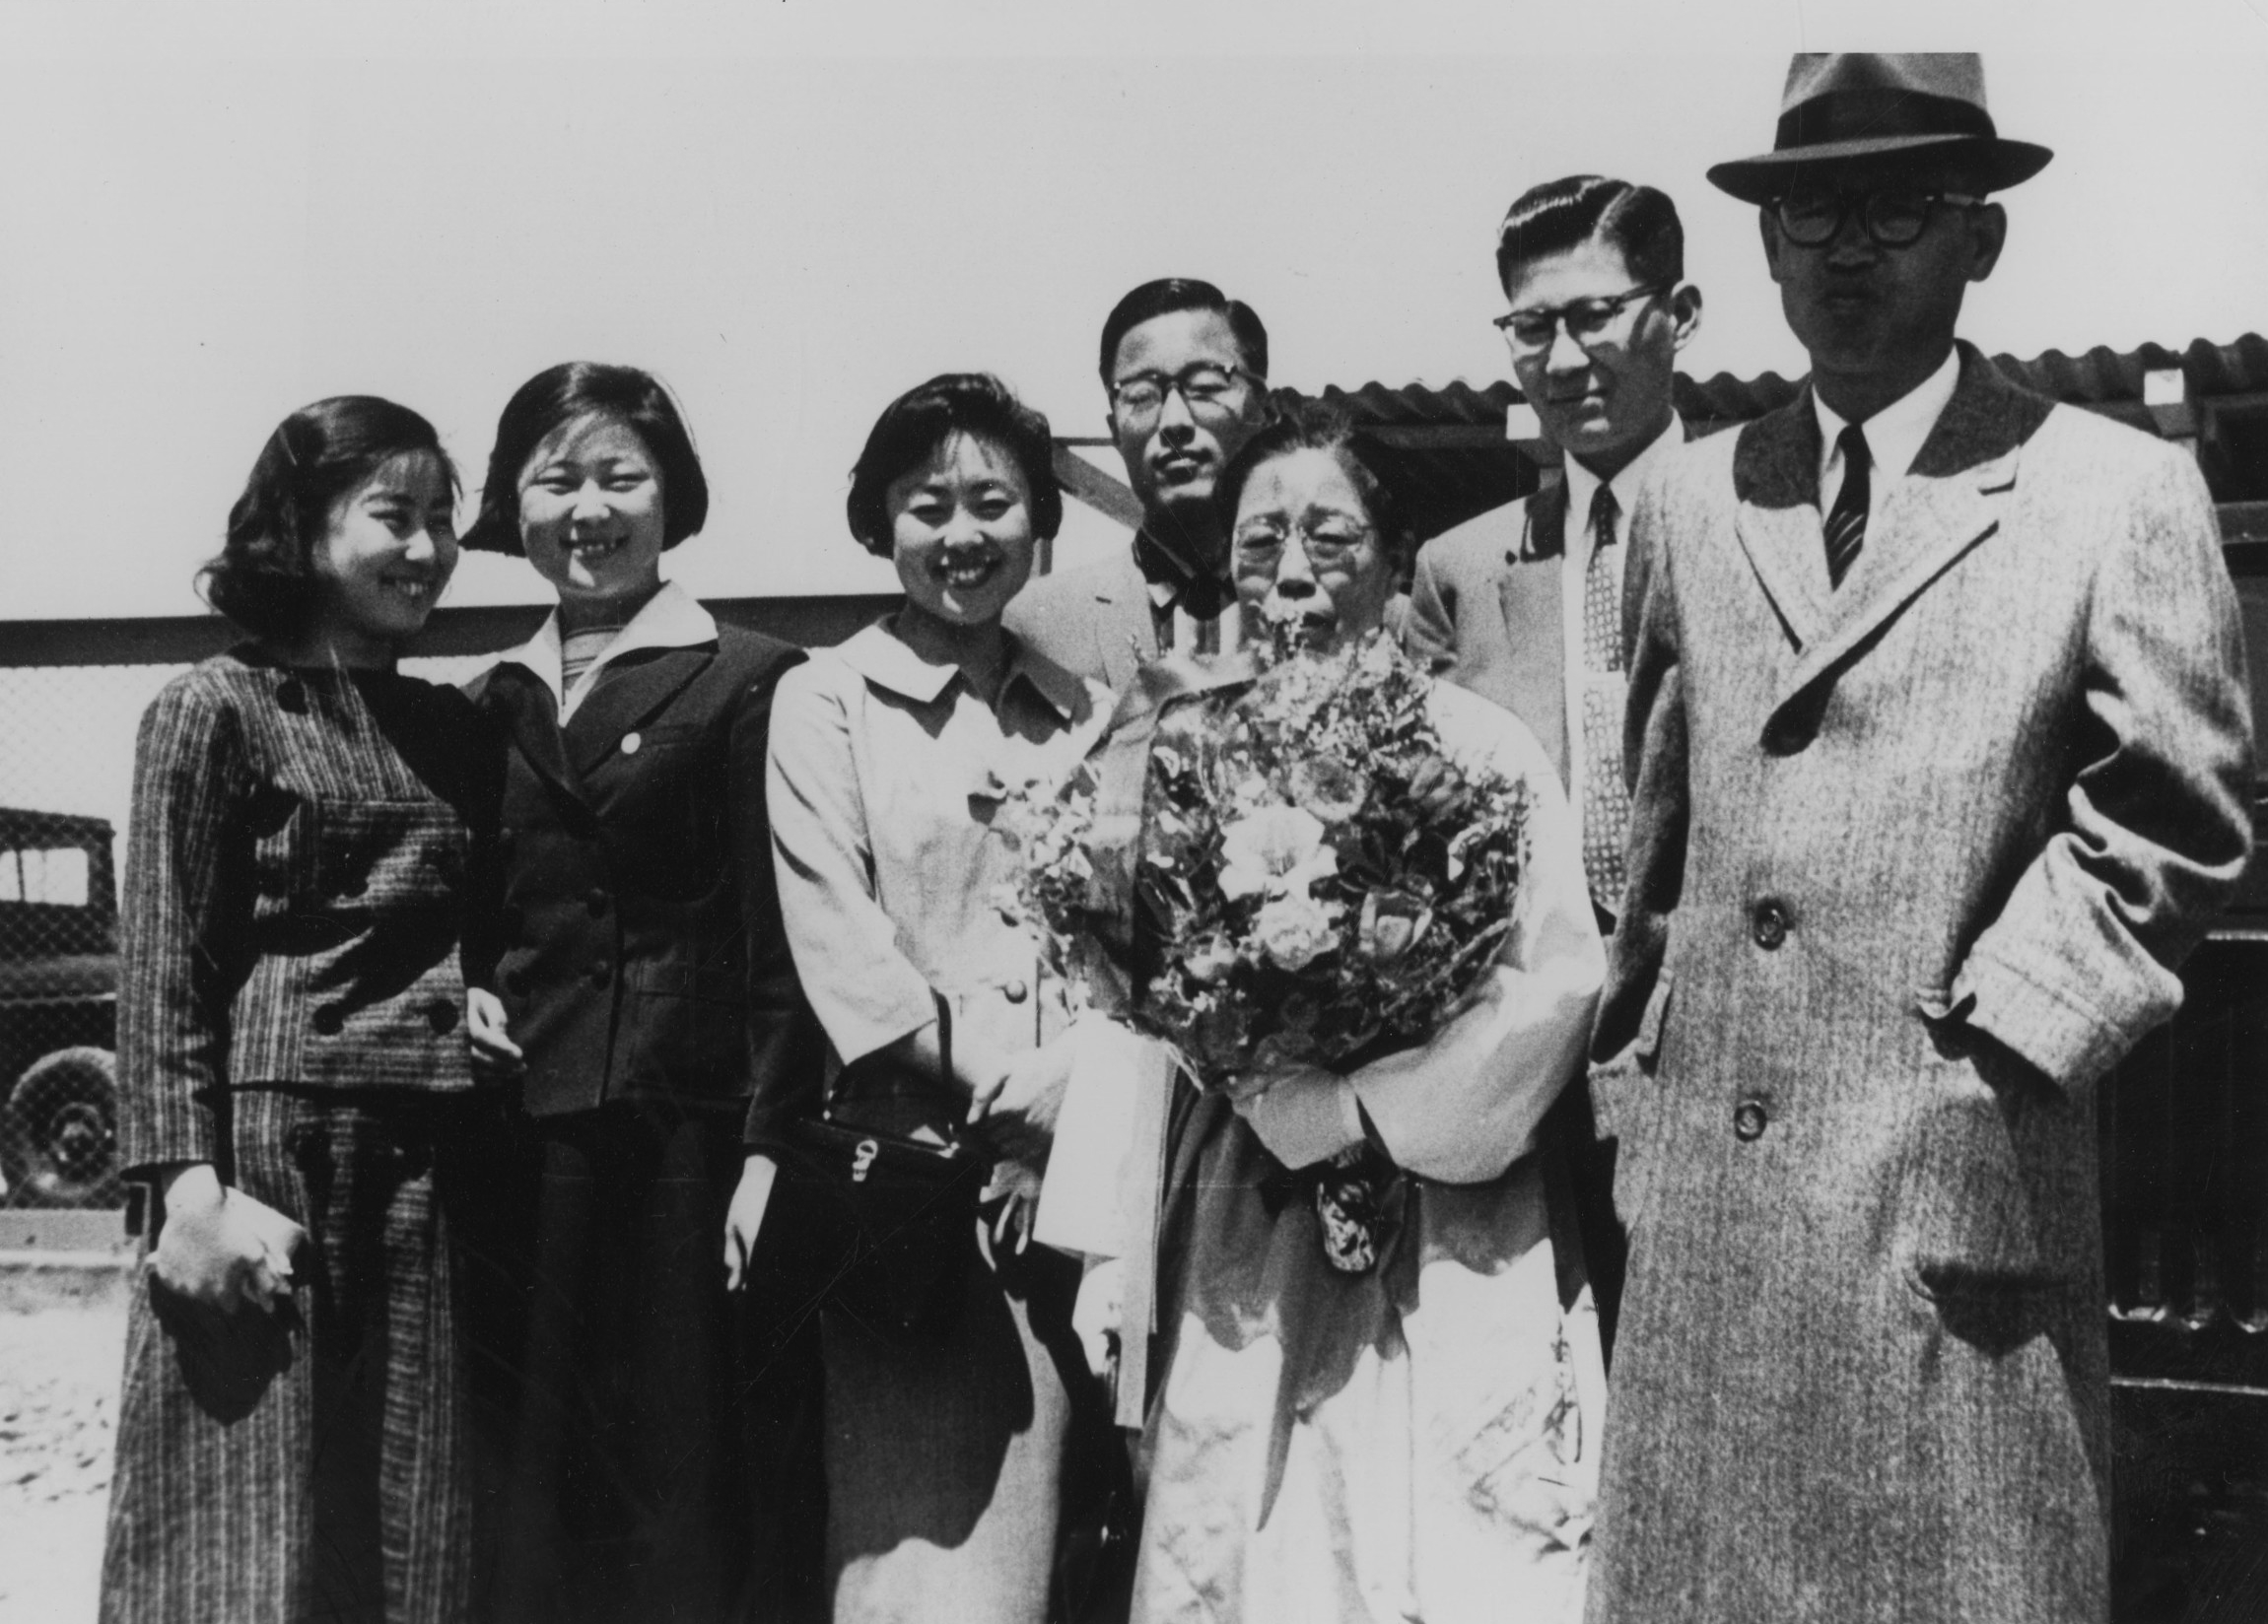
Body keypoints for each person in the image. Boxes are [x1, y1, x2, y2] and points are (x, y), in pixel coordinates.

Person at [1590, 54, 2254, 1624]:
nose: (1847, 246)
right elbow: (1658, 826)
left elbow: (2173, 824)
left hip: (1947, 1203)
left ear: (1982, 239)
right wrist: (1635, 1090)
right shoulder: (1690, 501)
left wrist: (1987, 1065)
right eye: (1810, 207)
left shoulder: (2113, 492)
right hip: (1711, 1227)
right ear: (1761, 245)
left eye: (1900, 207)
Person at [1107, 406, 1608, 1624]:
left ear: (1394, 557)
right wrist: (1268, 1088)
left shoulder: (1478, 747)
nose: (1292, 575)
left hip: (1452, 1195)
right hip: (1248, 1185)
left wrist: (1360, 1110)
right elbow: (1140, 996)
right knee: (1249, 1525)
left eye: (1329, 539)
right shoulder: (1186, 752)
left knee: (1446, 1519)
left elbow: (1553, 983)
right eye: (1261, 538)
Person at [101, 396, 499, 1624]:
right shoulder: (214, 706)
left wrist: (475, 984)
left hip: (430, 1160)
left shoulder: (451, 722)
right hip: (269, 1160)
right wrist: (187, 1192)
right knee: (241, 1510)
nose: (427, 548)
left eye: (443, 519)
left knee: (408, 1519)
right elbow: (165, 961)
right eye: (394, 516)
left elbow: (477, 918)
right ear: (301, 527)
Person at [459, 362, 822, 1624]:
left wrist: (774, 1149)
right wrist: (457, 990)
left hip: (692, 1136)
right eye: (557, 478)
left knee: (690, 1474)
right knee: (541, 1478)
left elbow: (783, 942)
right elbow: (470, 912)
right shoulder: (486, 702)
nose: (589, 508)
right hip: (527, 1142)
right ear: (513, 504)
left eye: (621, 475)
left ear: (674, 500)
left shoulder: (753, 678)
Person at [760, 372, 1116, 1621]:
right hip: (913, 1184)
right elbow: (844, 952)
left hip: (1076, 1180)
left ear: (1039, 524)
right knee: (917, 1558)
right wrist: (1014, 1105)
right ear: (878, 523)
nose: (961, 535)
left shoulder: (1084, 711)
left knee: (1061, 1544)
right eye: (926, 506)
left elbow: (1122, 942)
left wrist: (1073, 1110)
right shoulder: (824, 701)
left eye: (992, 502)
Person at [1403, 175, 1701, 1353]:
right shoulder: (1461, 567)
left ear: (1678, 313)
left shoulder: (1765, 521)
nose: (1566, 356)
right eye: (1533, 326)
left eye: (1597, 314)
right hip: (1527, 1066)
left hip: (1714, 1050)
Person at [1004, 278, 1273, 691]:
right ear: (1114, 430)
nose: (1174, 423)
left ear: (1262, 411)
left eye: (1205, 387)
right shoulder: (1033, 624)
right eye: (1141, 395)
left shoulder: (1356, 603)